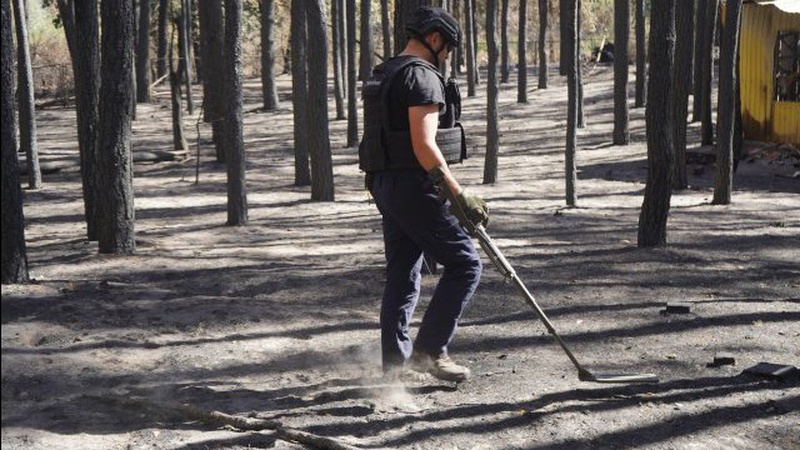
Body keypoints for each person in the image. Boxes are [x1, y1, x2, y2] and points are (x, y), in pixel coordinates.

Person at [359, 6, 488, 383]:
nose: (446, 56)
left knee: (403, 274)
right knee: (466, 264)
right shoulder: (421, 78)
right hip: (414, 187)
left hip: (384, 186)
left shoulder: (388, 73)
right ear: (434, 39)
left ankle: (395, 368)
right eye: (447, 48)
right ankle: (430, 352)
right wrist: (459, 194)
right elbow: (424, 146)